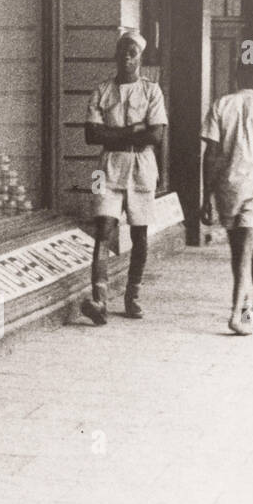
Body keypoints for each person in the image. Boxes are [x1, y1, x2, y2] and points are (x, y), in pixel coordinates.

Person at [81, 30, 166, 323]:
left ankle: (133, 296)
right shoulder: (102, 90)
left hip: (142, 167)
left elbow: (156, 135)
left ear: (140, 57)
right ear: (116, 56)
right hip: (106, 167)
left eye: (133, 53)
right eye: (123, 52)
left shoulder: (151, 90)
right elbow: (91, 135)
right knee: (103, 230)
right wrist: (132, 131)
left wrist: (114, 133)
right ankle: (99, 300)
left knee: (140, 235)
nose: (127, 58)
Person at [200, 56, 253, 335]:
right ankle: (238, 314)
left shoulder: (221, 104)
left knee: (239, 254)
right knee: (246, 253)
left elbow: (209, 155)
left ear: (236, 77)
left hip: (228, 186)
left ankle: (245, 312)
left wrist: (205, 196)